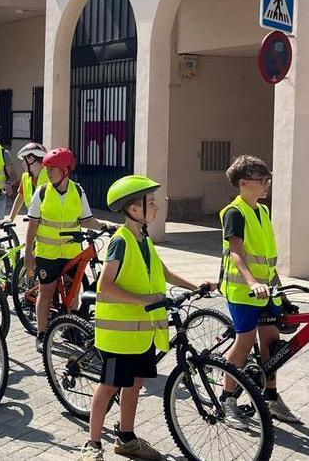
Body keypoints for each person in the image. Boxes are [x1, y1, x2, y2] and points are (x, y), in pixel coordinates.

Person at [80, 175, 215, 461]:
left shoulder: (143, 237)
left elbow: (162, 271)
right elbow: (106, 286)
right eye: (150, 203)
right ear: (133, 209)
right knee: (108, 387)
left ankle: (126, 438)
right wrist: (145, 300)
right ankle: (92, 445)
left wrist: (195, 286)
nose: (155, 208)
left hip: (142, 333)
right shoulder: (121, 241)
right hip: (119, 334)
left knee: (136, 383)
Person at [219, 155, 300, 425]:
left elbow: (267, 260)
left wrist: (282, 294)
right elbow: (236, 254)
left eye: (268, 179)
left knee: (271, 343)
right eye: (262, 180)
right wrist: (253, 282)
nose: (267, 184)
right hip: (243, 291)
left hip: (266, 291)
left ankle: (272, 398)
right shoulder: (235, 212)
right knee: (244, 343)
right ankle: (227, 399)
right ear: (244, 183)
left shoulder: (262, 211)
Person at [24, 147, 112, 353]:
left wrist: (107, 226)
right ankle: (42, 334)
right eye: (47, 168)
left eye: (52, 168)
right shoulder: (42, 192)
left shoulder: (77, 191)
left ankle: (71, 329)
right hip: (47, 254)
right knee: (46, 292)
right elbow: (32, 224)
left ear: (65, 170)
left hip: (72, 252)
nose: (48, 172)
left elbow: (87, 220)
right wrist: (29, 253)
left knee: (74, 293)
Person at [8, 142, 48, 222]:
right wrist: (10, 218)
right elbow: (20, 197)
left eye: (24, 161)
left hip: (48, 222)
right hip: (33, 220)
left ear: (31, 159)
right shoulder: (26, 177)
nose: (22, 164)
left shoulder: (50, 176)